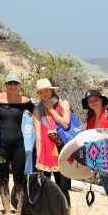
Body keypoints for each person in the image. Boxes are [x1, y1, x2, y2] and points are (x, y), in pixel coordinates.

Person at [0, 73, 35, 215]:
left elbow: (38, 115)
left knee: (18, 177)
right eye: (9, 83)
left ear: (19, 85)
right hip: (1, 145)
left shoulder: (25, 100)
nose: (12, 86)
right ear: (5, 85)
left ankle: (19, 209)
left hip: (18, 145)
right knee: (3, 178)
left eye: (15, 83)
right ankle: (6, 209)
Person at [32, 78, 71, 206]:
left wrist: (52, 110)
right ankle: (49, 212)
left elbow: (65, 124)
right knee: (46, 184)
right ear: (38, 94)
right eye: (41, 92)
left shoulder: (63, 103)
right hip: (45, 150)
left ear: (51, 91)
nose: (44, 94)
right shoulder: (37, 110)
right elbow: (38, 135)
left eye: (46, 91)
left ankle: (66, 214)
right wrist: (38, 156)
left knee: (63, 185)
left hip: (62, 148)